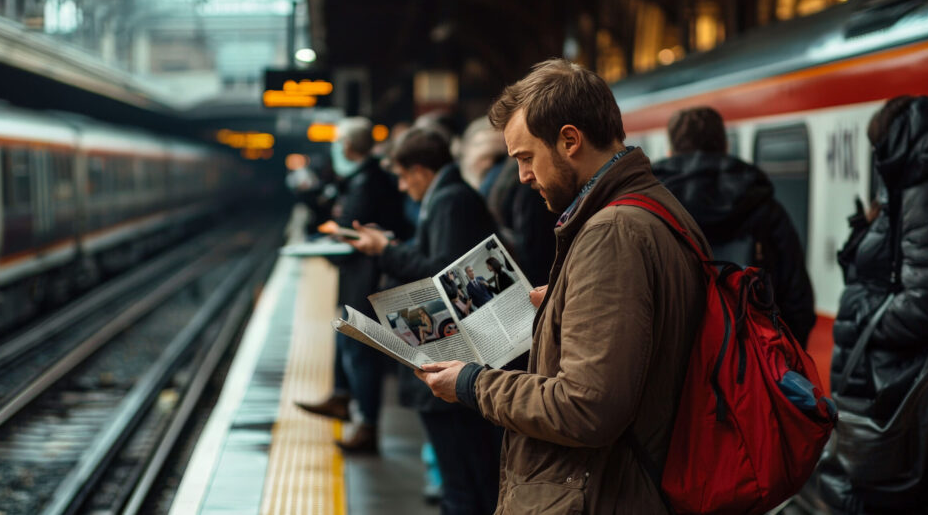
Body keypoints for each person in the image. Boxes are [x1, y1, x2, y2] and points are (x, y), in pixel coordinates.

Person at [417, 58, 710, 513]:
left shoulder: (612, 233)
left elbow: (586, 406)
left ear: (570, 140)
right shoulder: (649, 207)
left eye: (526, 158)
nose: (522, 176)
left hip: (600, 495)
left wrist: (472, 383)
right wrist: (557, 310)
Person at [807, 96, 928, 513]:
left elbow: (923, 298)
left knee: (893, 487)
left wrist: (860, 324)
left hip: (917, 378)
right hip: (924, 373)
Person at [348, 126, 504, 515]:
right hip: (452, 352)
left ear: (420, 171)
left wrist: (387, 252)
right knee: (466, 478)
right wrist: (394, 248)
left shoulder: (451, 200)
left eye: (403, 176)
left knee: (464, 481)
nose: (401, 187)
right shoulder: (449, 197)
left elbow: (441, 276)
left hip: (456, 354)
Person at [651, 106, 816, 346]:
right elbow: (797, 300)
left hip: (674, 365)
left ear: (670, 149)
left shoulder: (651, 208)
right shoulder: (765, 208)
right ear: (725, 147)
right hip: (745, 365)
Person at [295, 116, 411, 454]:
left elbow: (349, 231)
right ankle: (343, 399)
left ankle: (367, 426)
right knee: (348, 348)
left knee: (360, 354)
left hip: (369, 284)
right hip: (361, 281)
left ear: (346, 146)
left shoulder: (367, 182)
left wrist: (328, 236)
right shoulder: (364, 179)